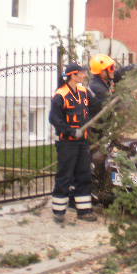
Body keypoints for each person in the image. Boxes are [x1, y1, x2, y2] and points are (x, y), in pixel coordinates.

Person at [49, 62, 97, 223]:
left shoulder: (84, 91)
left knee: (84, 174)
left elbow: (94, 108)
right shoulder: (60, 95)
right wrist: (70, 131)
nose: (84, 75)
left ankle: (84, 211)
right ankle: (58, 211)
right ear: (73, 75)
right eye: (81, 73)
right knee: (65, 175)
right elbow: (54, 118)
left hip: (83, 142)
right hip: (67, 143)